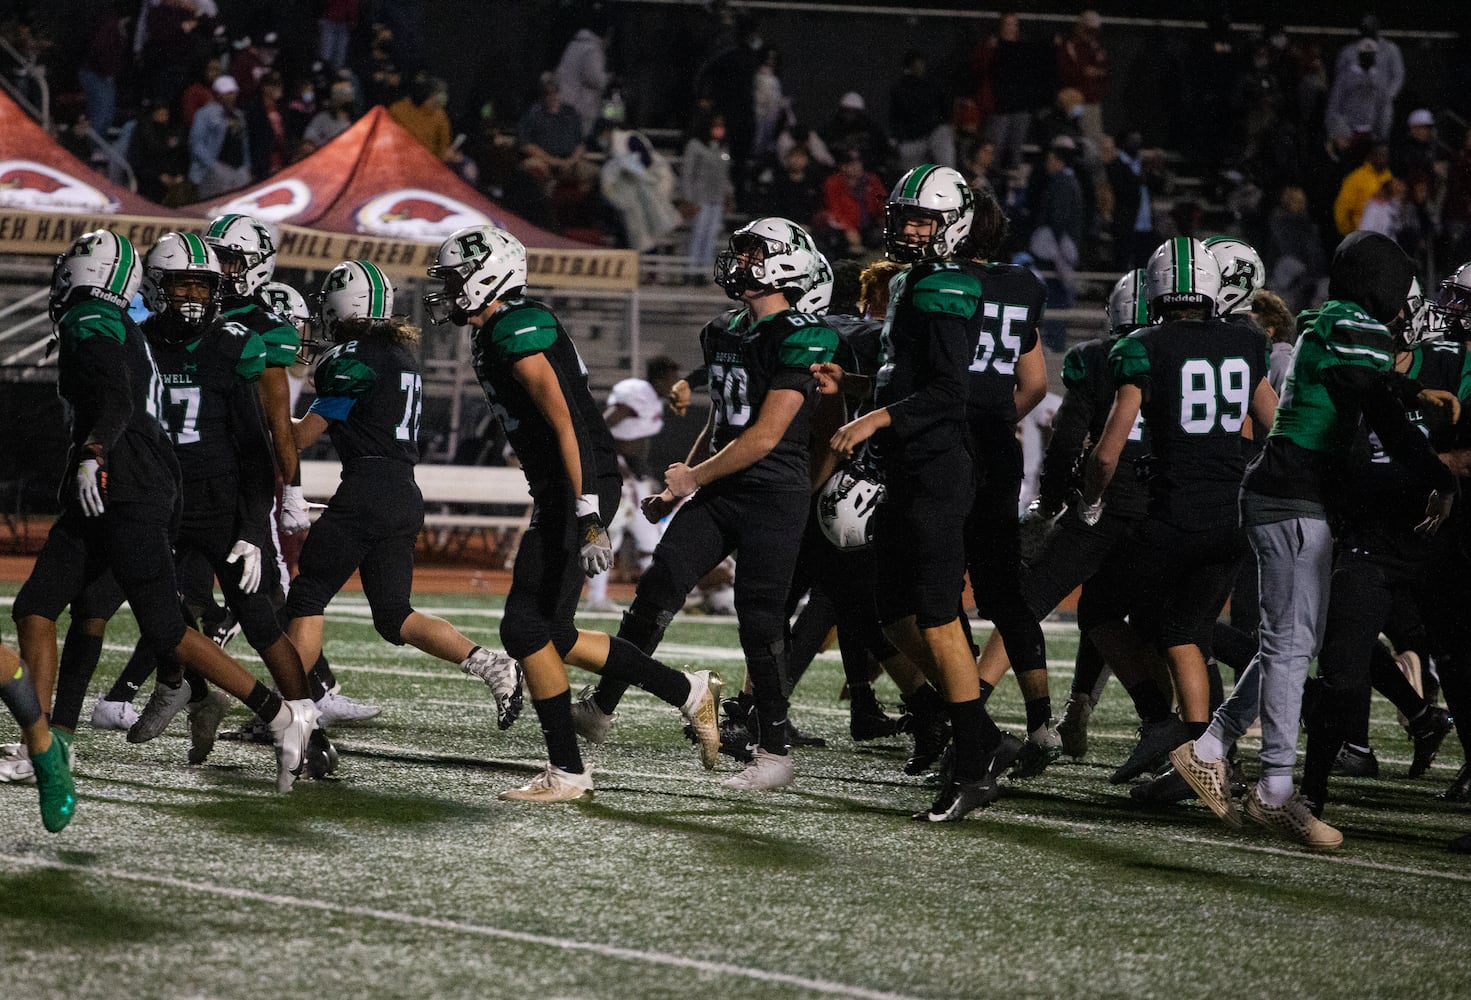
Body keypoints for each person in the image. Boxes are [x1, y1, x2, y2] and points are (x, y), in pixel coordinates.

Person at [1170, 232, 1458, 850]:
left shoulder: (1336, 320)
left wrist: (1411, 395)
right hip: (1291, 495)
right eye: (1401, 297)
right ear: (1382, 286)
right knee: (1290, 647)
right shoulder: (1355, 326)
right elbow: (1376, 404)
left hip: (1294, 493)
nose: (1406, 313)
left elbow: (1372, 393)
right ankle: (1275, 789)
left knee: (1293, 641)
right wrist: (1437, 473)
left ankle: (1212, 746)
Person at [11, 231, 318, 793]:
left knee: (190, 624)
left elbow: (255, 438)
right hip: (139, 488)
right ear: (150, 285)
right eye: (183, 285)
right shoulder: (139, 332)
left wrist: (258, 521)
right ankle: (51, 744)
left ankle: (285, 715)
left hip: (151, 491)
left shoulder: (119, 326)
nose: (194, 297)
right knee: (50, 609)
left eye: (204, 284)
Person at [423, 227, 723, 800]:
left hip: (578, 486)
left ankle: (568, 769)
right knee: (552, 632)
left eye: (457, 277)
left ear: (490, 275)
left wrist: (588, 513)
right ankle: (687, 690)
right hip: (566, 486)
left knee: (523, 627)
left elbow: (567, 424)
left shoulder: (516, 327)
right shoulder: (497, 330)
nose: (451, 290)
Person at [577, 218, 838, 792]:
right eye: (739, 252)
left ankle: (773, 751)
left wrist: (692, 477)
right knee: (657, 589)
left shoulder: (805, 336)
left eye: (753, 254)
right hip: (721, 488)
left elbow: (766, 435)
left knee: (760, 619)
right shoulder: (723, 329)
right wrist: (680, 487)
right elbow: (724, 423)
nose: (739, 263)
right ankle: (602, 706)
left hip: (774, 490)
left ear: (787, 265)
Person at [816, 165, 1019, 821]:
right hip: (907, 463)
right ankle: (974, 731)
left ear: (951, 224)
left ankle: (972, 759)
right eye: (902, 215)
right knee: (891, 606)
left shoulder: (948, 285)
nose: (906, 227)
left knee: (934, 611)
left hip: (938, 467)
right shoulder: (913, 281)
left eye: (921, 219)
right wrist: (851, 390)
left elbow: (946, 392)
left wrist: (872, 417)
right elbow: (904, 382)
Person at [283, 261, 526, 762]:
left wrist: (259, 412)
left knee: (305, 596)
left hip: (367, 488)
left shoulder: (347, 357)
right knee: (394, 615)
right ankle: (488, 663)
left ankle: (293, 713)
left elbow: (301, 437)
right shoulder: (400, 354)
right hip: (402, 491)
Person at [1079, 238, 1278, 785]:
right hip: (1233, 514)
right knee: (1182, 627)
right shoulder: (1245, 340)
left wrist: (1091, 495)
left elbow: (1109, 451)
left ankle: (1163, 725)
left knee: (1100, 606)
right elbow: (1278, 430)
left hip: (1173, 515)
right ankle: (1204, 755)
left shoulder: (1143, 345)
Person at [955, 186, 1053, 776]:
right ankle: (1042, 722)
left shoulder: (941, 283)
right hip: (999, 446)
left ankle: (960, 713)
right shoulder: (1025, 287)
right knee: (1005, 594)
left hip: (947, 448)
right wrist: (996, 418)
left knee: (936, 587)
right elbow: (1036, 384)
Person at [584, 356, 683, 612]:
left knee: (649, 536)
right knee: (611, 531)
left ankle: (658, 598)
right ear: (659, 379)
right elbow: (607, 423)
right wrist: (607, 460)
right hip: (619, 470)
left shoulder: (653, 398)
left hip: (632, 472)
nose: (676, 385)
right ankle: (595, 597)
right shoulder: (637, 392)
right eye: (672, 380)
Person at [681, 113, 735, 283]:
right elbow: (688, 173)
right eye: (715, 125)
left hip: (717, 199)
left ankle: (703, 272)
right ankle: (690, 270)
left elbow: (724, 174)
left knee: (710, 236)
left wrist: (729, 194)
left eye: (721, 126)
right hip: (700, 198)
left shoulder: (723, 148)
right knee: (698, 234)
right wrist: (689, 198)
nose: (719, 129)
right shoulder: (695, 146)